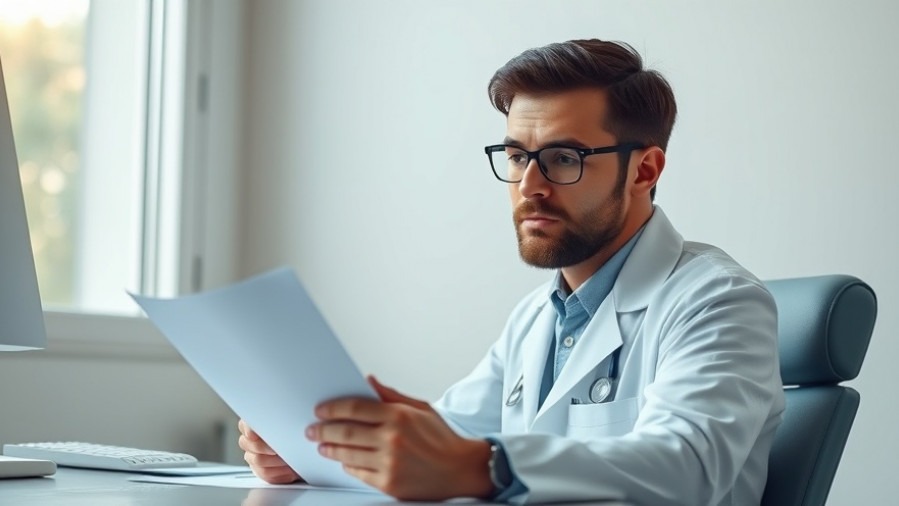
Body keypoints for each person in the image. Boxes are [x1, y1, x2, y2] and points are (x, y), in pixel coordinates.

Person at [238, 39, 785, 505]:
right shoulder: (535, 317)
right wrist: (323, 446)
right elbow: (456, 435)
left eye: (564, 157)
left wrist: (484, 467)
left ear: (644, 169)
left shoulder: (718, 300)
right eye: (518, 155)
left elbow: (687, 467)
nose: (529, 186)